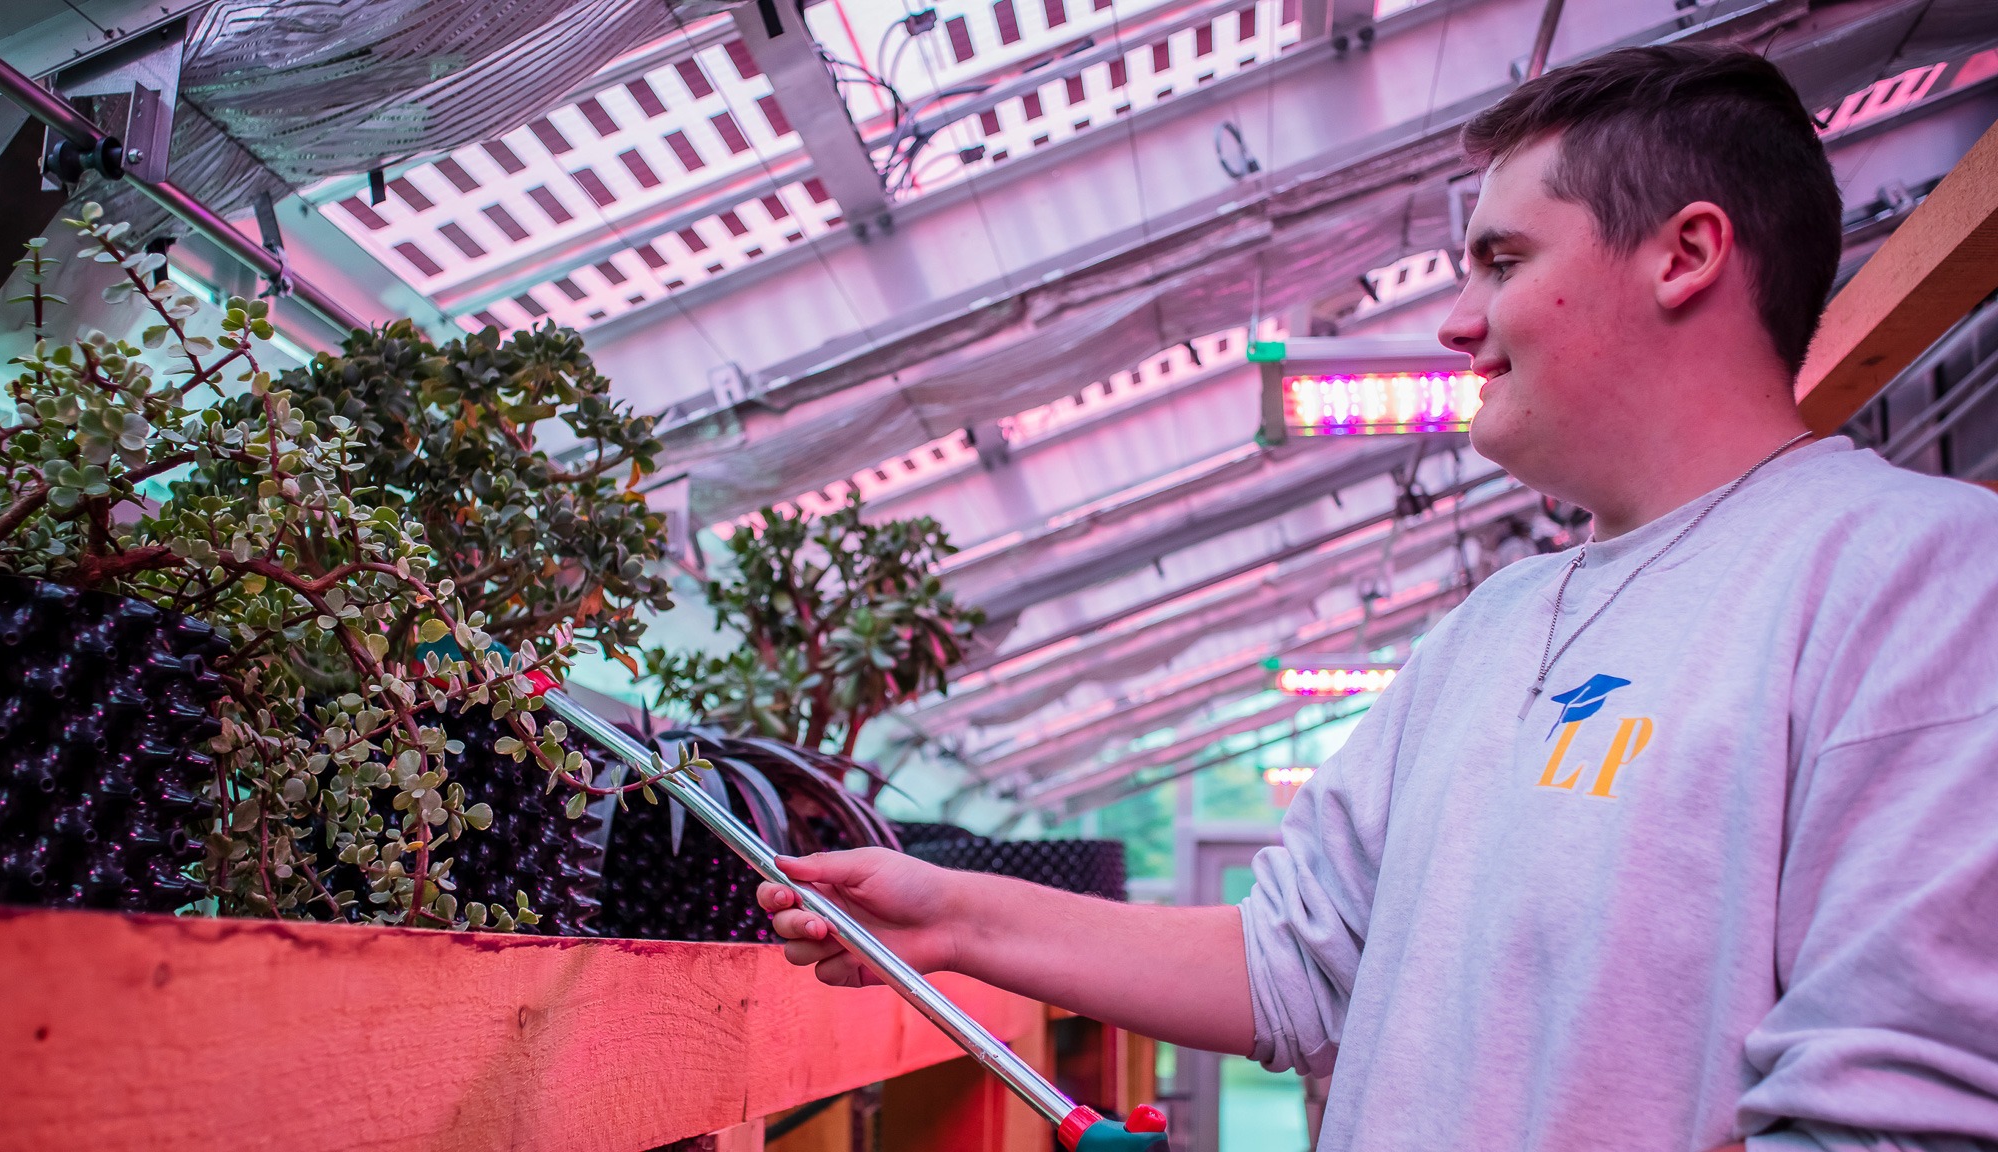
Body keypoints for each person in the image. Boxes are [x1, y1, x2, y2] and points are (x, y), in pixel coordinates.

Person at [757, 44, 1998, 1150]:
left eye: (1502, 260)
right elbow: (1288, 963)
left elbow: (1894, 1119)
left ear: (1684, 254)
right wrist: (956, 916)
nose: (1456, 323)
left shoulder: (1918, 575)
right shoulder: (1489, 628)